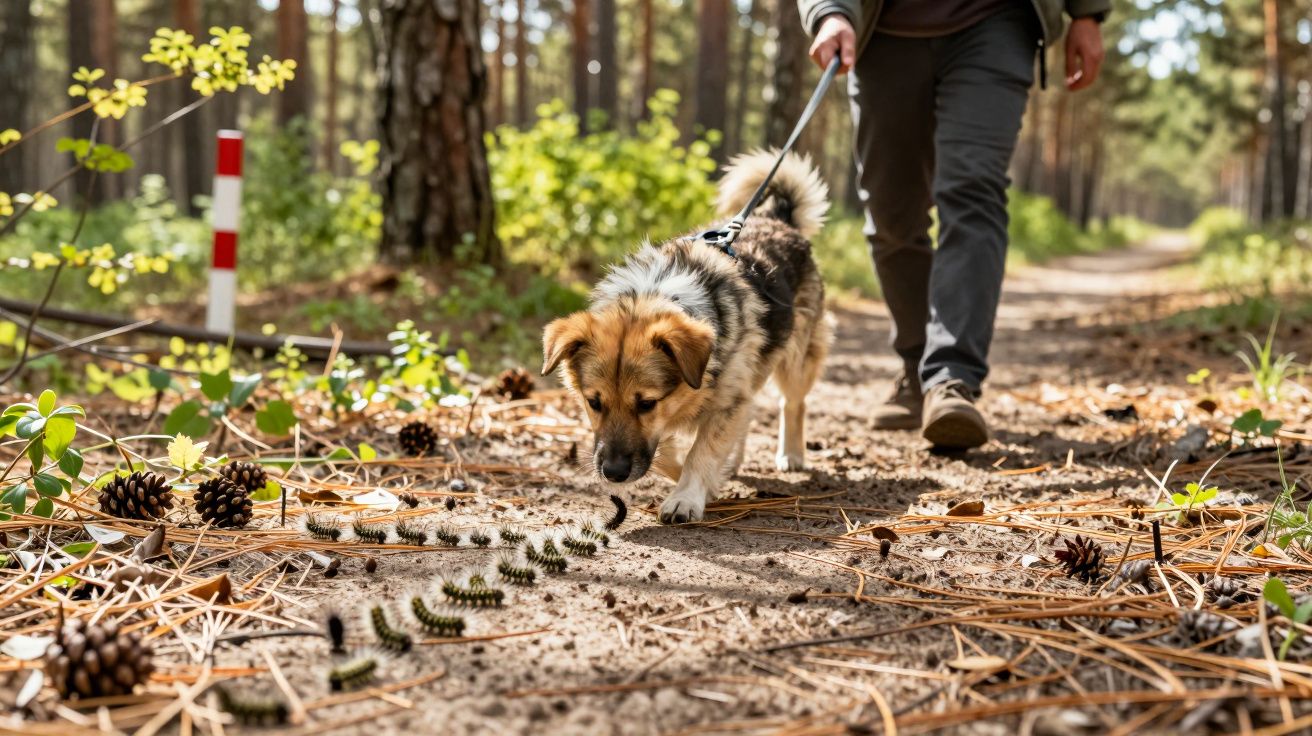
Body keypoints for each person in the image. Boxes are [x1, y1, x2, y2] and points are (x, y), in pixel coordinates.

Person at [799, 0, 1109, 449]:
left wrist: (1087, 12)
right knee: (892, 214)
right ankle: (916, 366)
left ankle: (951, 379)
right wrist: (830, 10)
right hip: (882, 31)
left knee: (973, 190)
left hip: (995, 23)